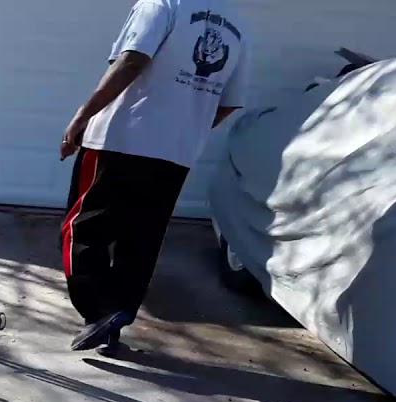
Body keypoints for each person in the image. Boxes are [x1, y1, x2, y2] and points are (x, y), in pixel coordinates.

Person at [58, 0, 251, 355]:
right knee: (141, 238)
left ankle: (98, 311)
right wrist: (181, 128)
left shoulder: (162, 4)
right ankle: (117, 316)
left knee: (81, 230)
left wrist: (82, 116)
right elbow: (229, 102)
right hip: (176, 152)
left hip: (120, 139)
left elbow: (132, 60)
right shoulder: (236, 23)